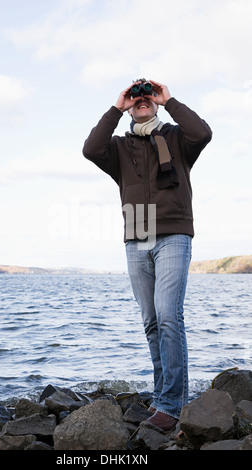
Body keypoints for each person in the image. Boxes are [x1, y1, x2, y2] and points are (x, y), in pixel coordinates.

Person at [82, 79, 212, 432]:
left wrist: (169, 99)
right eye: (137, 98)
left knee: (169, 315)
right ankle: (163, 396)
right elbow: (90, 149)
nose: (143, 100)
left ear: (155, 103)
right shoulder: (119, 148)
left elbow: (202, 133)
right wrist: (117, 107)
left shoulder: (177, 139)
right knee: (152, 321)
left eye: (147, 97)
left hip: (173, 231)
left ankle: (172, 405)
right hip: (137, 234)